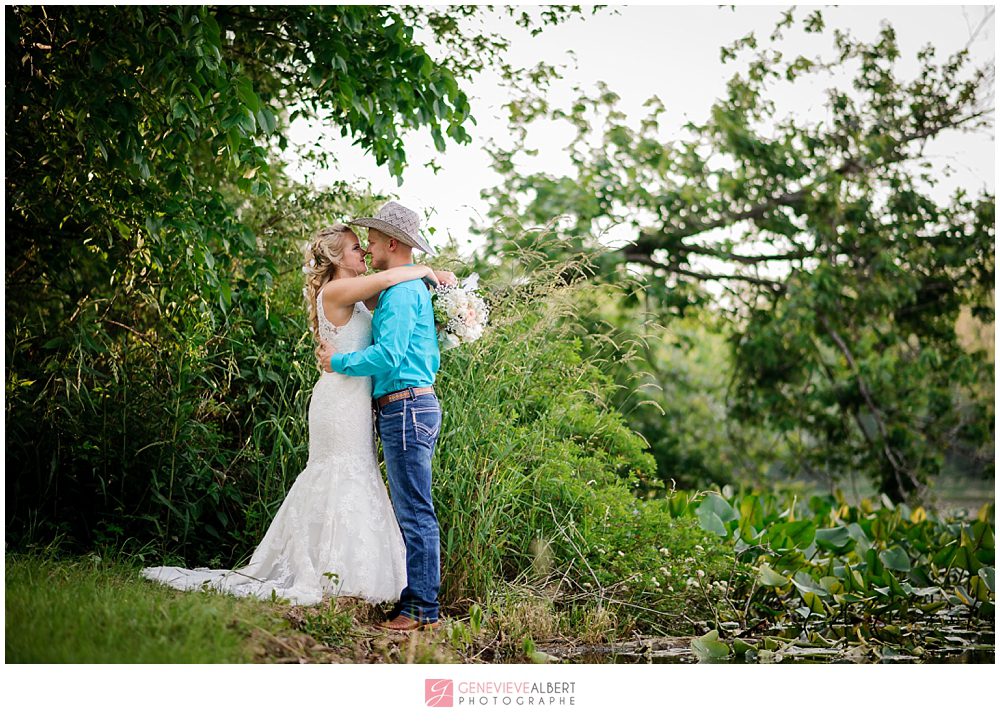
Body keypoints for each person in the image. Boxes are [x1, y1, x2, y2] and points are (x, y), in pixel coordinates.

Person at [141, 223, 453, 606]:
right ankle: (324, 571)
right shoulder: (337, 290)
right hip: (338, 400)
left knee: (358, 476)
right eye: (357, 248)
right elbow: (394, 276)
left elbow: (393, 289)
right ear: (337, 258)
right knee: (337, 472)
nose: (364, 254)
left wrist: (430, 278)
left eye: (365, 246)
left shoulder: (361, 294)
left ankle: (352, 573)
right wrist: (425, 271)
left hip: (358, 398)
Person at [317, 201, 444, 631]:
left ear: (392, 242)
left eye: (371, 241)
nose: (369, 249)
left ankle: (421, 608)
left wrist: (340, 363)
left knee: (414, 511)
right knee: (412, 507)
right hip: (405, 405)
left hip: (407, 407)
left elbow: (388, 353)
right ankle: (416, 601)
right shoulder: (399, 289)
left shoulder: (404, 292)